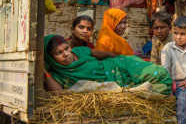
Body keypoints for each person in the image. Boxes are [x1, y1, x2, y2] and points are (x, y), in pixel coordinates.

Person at [43, 35, 172, 94]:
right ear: (50, 58)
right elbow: (58, 93)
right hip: (115, 82)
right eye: (58, 53)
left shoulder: (79, 51)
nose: (66, 54)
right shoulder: (57, 74)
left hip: (118, 65)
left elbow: (101, 54)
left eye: (66, 48)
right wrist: (44, 71)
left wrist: (122, 58)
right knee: (160, 84)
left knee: (160, 73)